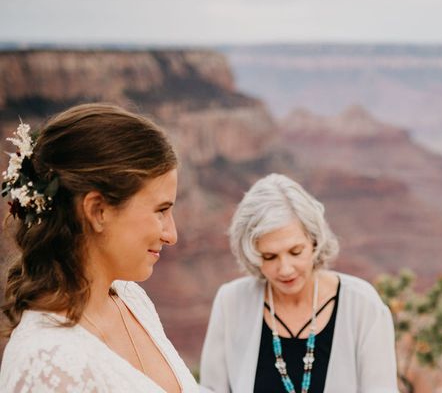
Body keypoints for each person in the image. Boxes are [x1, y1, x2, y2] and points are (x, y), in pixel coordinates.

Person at [0, 103, 199, 392]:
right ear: (98, 210)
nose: (172, 235)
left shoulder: (131, 299)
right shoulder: (43, 367)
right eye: (161, 210)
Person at [200, 173, 399, 393]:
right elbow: (211, 389)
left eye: (295, 252)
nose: (285, 269)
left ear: (314, 241)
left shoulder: (362, 305)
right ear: (252, 255)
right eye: (269, 257)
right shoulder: (231, 302)